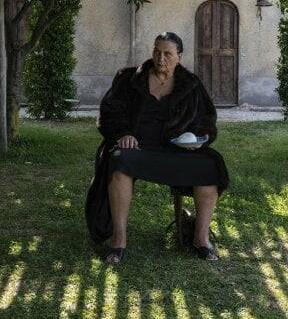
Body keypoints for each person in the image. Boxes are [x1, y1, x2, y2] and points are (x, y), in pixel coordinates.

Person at [85, 32, 229, 263]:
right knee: (119, 160)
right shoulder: (129, 79)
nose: (161, 58)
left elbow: (207, 121)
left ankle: (200, 239)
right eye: (157, 52)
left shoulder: (191, 85)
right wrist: (123, 134)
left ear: (179, 57)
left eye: (168, 54)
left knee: (210, 166)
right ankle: (118, 241)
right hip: (139, 147)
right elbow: (109, 112)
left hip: (176, 148)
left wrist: (198, 139)